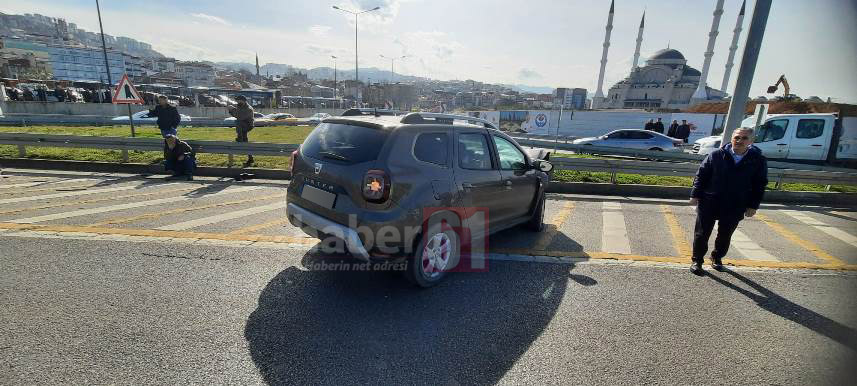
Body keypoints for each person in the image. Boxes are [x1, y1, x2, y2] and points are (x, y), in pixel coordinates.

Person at [688, 127, 767, 274]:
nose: (739, 141)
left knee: (725, 234)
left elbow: (760, 184)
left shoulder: (757, 160)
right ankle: (697, 261)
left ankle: (717, 257)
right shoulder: (716, 155)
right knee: (702, 233)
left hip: (736, 204)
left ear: (751, 141)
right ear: (731, 138)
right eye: (737, 137)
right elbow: (701, 175)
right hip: (710, 201)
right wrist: (695, 195)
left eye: (744, 138)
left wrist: (753, 205)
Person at [229, 95, 255, 166]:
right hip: (242, 126)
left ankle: (240, 138)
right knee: (245, 141)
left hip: (247, 125)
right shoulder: (240, 106)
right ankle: (250, 158)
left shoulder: (248, 108)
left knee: (238, 122)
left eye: (238, 100)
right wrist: (231, 110)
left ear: (243, 100)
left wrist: (232, 110)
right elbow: (237, 115)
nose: (237, 102)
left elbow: (240, 117)